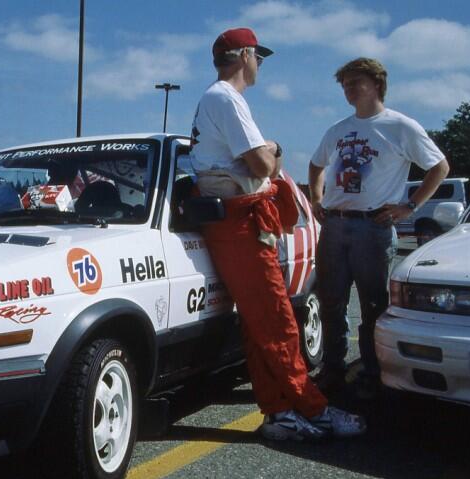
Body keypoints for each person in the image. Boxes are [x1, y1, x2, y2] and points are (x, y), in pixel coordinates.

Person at [191, 28, 365, 441]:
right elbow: (262, 165)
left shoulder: (220, 99)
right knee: (279, 322)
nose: (260, 65)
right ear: (245, 55)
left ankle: (280, 412)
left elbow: (260, 164)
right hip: (237, 221)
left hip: (236, 218)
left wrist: (269, 154)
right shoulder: (225, 98)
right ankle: (313, 408)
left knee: (258, 326)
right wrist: (273, 149)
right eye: (259, 57)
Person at [309, 58, 449, 397]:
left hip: (372, 227)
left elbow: (439, 166)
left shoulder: (400, 126)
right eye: (344, 84)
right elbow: (316, 164)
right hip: (335, 225)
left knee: (373, 306)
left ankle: (372, 372)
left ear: (376, 84)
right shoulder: (338, 130)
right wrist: (316, 199)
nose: (349, 89)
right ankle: (333, 369)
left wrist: (409, 206)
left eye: (355, 82)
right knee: (331, 302)